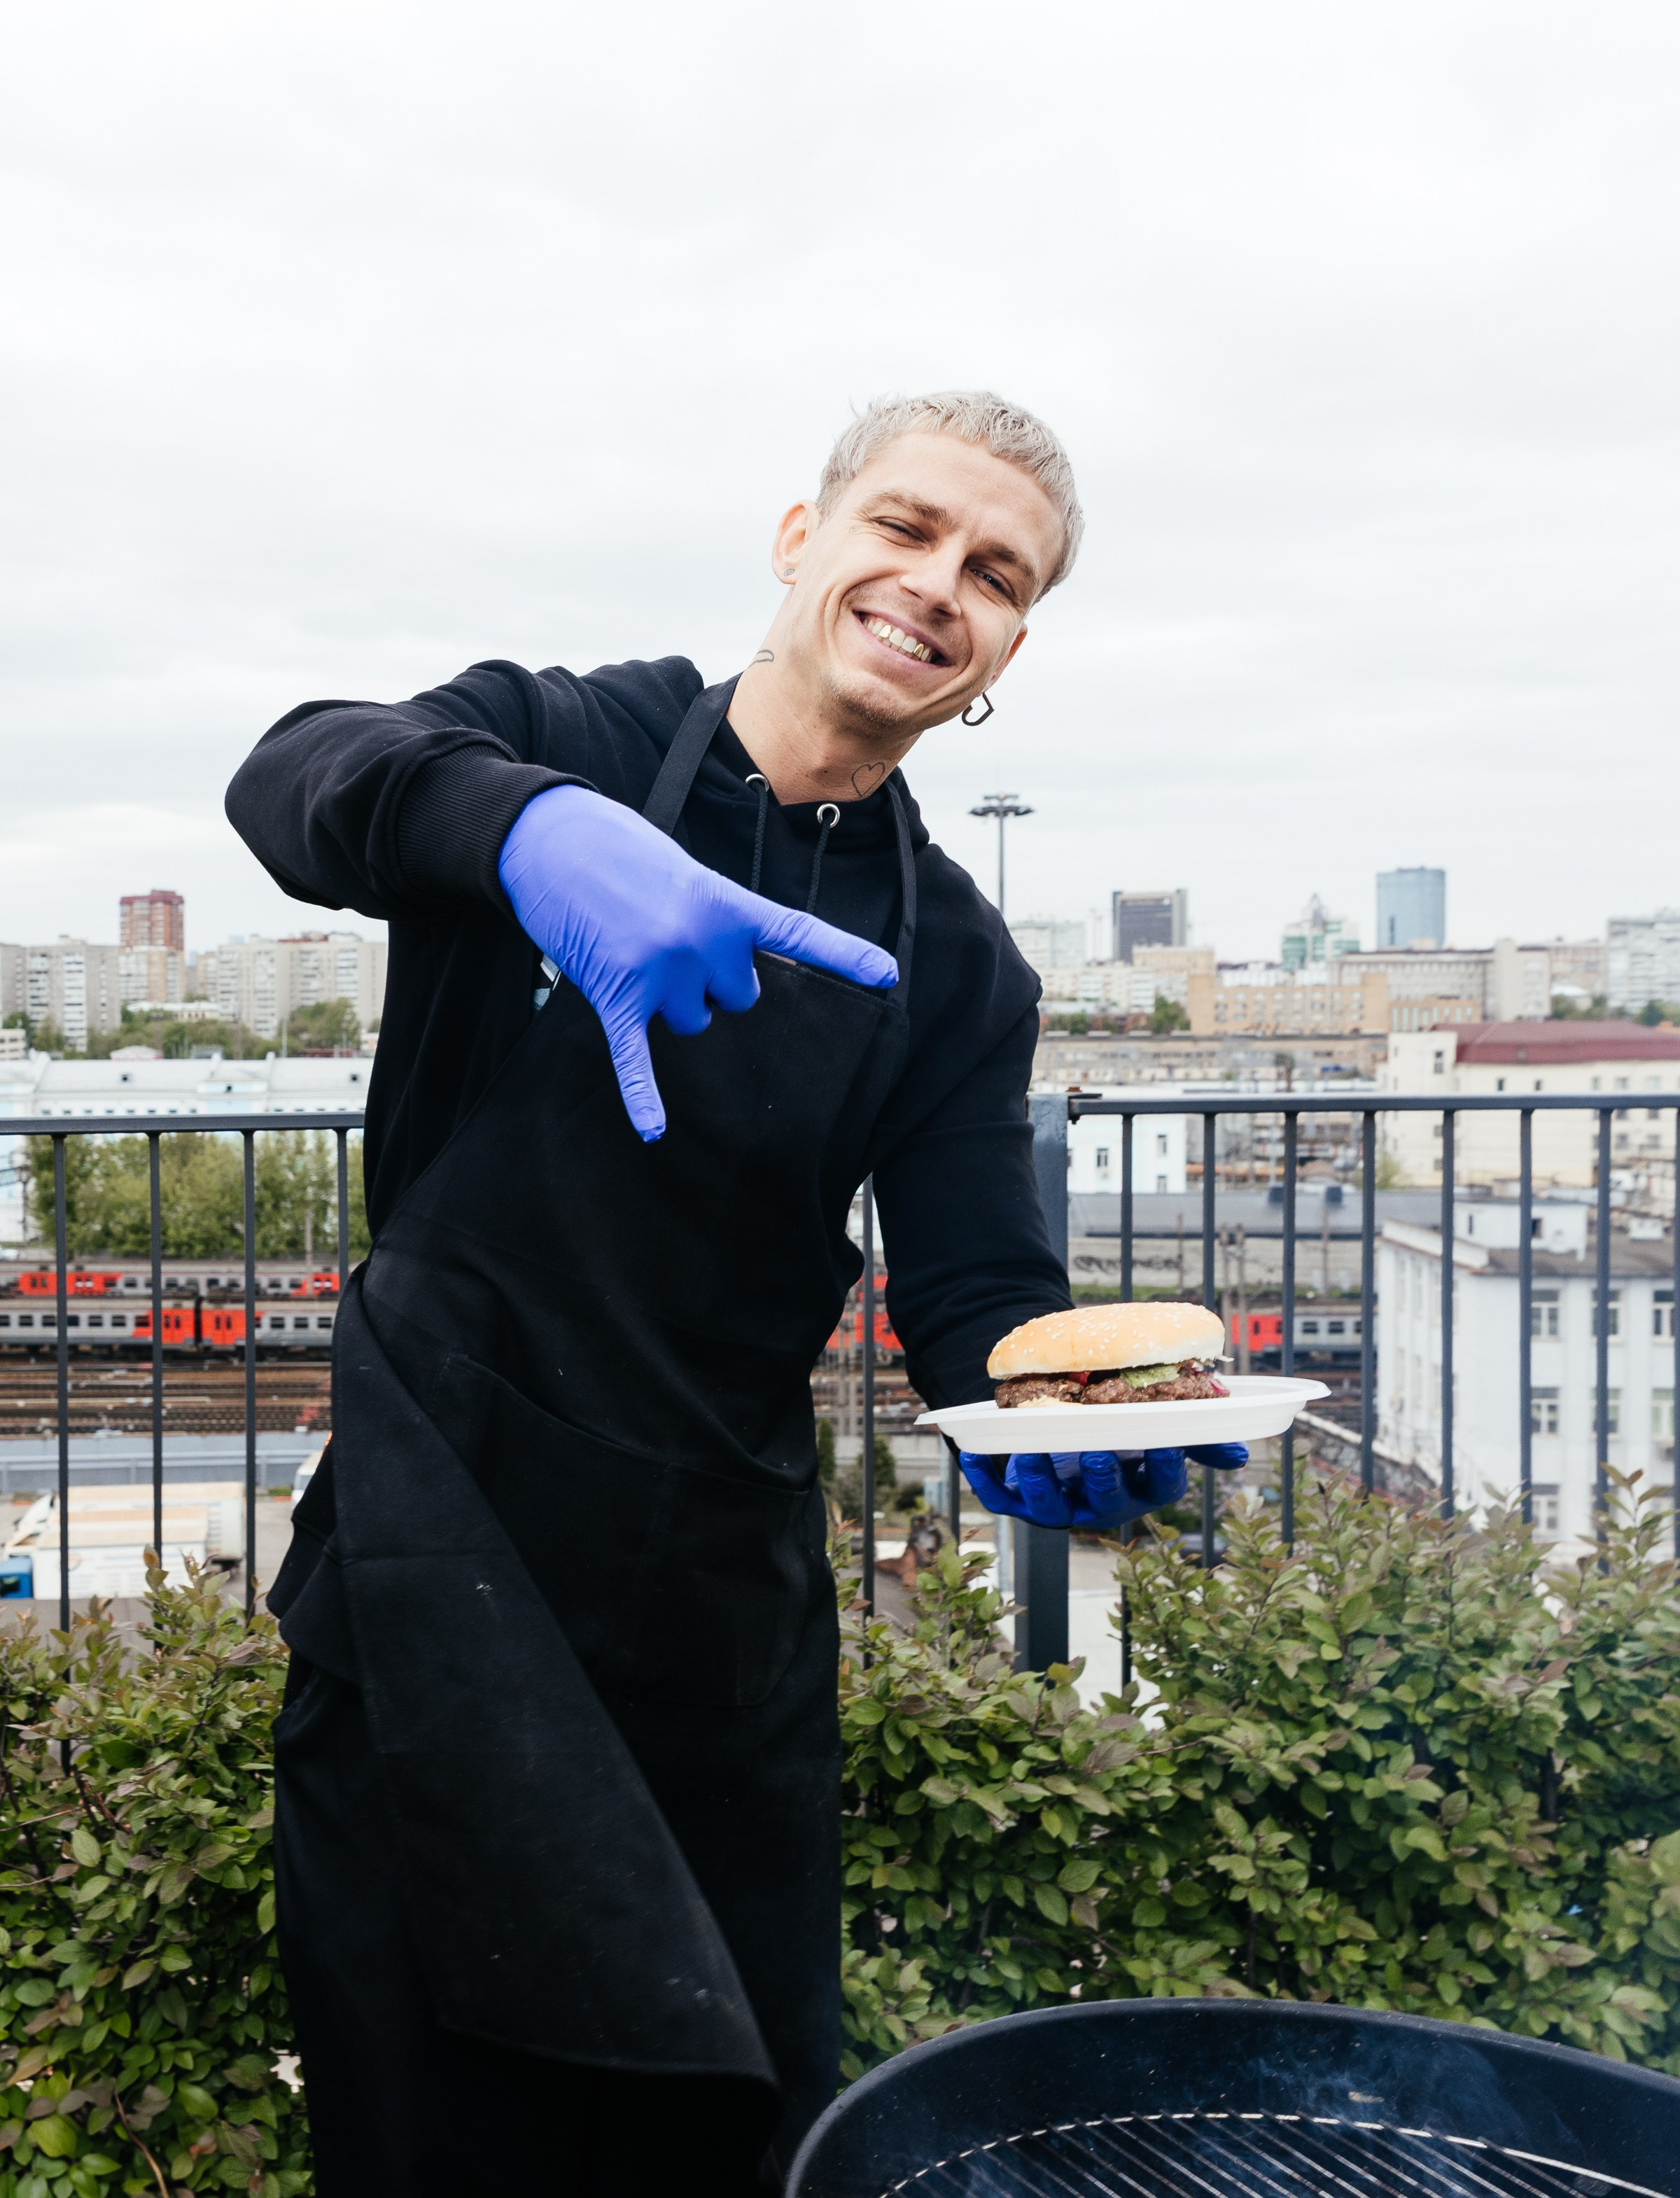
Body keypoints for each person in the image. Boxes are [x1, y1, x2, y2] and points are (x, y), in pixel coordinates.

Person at [227, 391, 1244, 2198]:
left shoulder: (957, 957)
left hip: (719, 1633)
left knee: (726, 2140)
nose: (938, 584)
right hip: (430, 1574)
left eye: (997, 575)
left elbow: (978, 1286)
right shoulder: (568, 740)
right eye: (906, 527)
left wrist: (1061, 1420)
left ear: (1010, 649)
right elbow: (298, 773)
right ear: (802, 535)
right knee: (428, 2141)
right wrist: (532, 833)